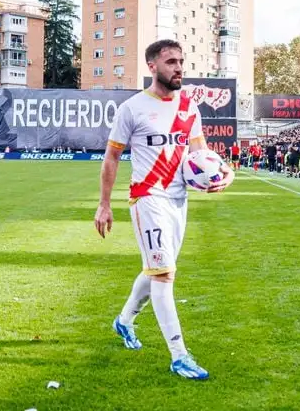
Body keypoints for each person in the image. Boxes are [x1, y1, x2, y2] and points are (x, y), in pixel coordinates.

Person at [94, 39, 233, 381]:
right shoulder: (133, 108)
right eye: (171, 61)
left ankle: (123, 321)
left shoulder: (189, 108)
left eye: (181, 61)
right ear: (152, 66)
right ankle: (179, 355)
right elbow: (111, 157)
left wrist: (221, 174)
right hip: (148, 198)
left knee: (157, 268)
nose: (179, 67)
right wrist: (104, 204)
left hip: (178, 200)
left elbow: (201, 153)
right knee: (164, 274)